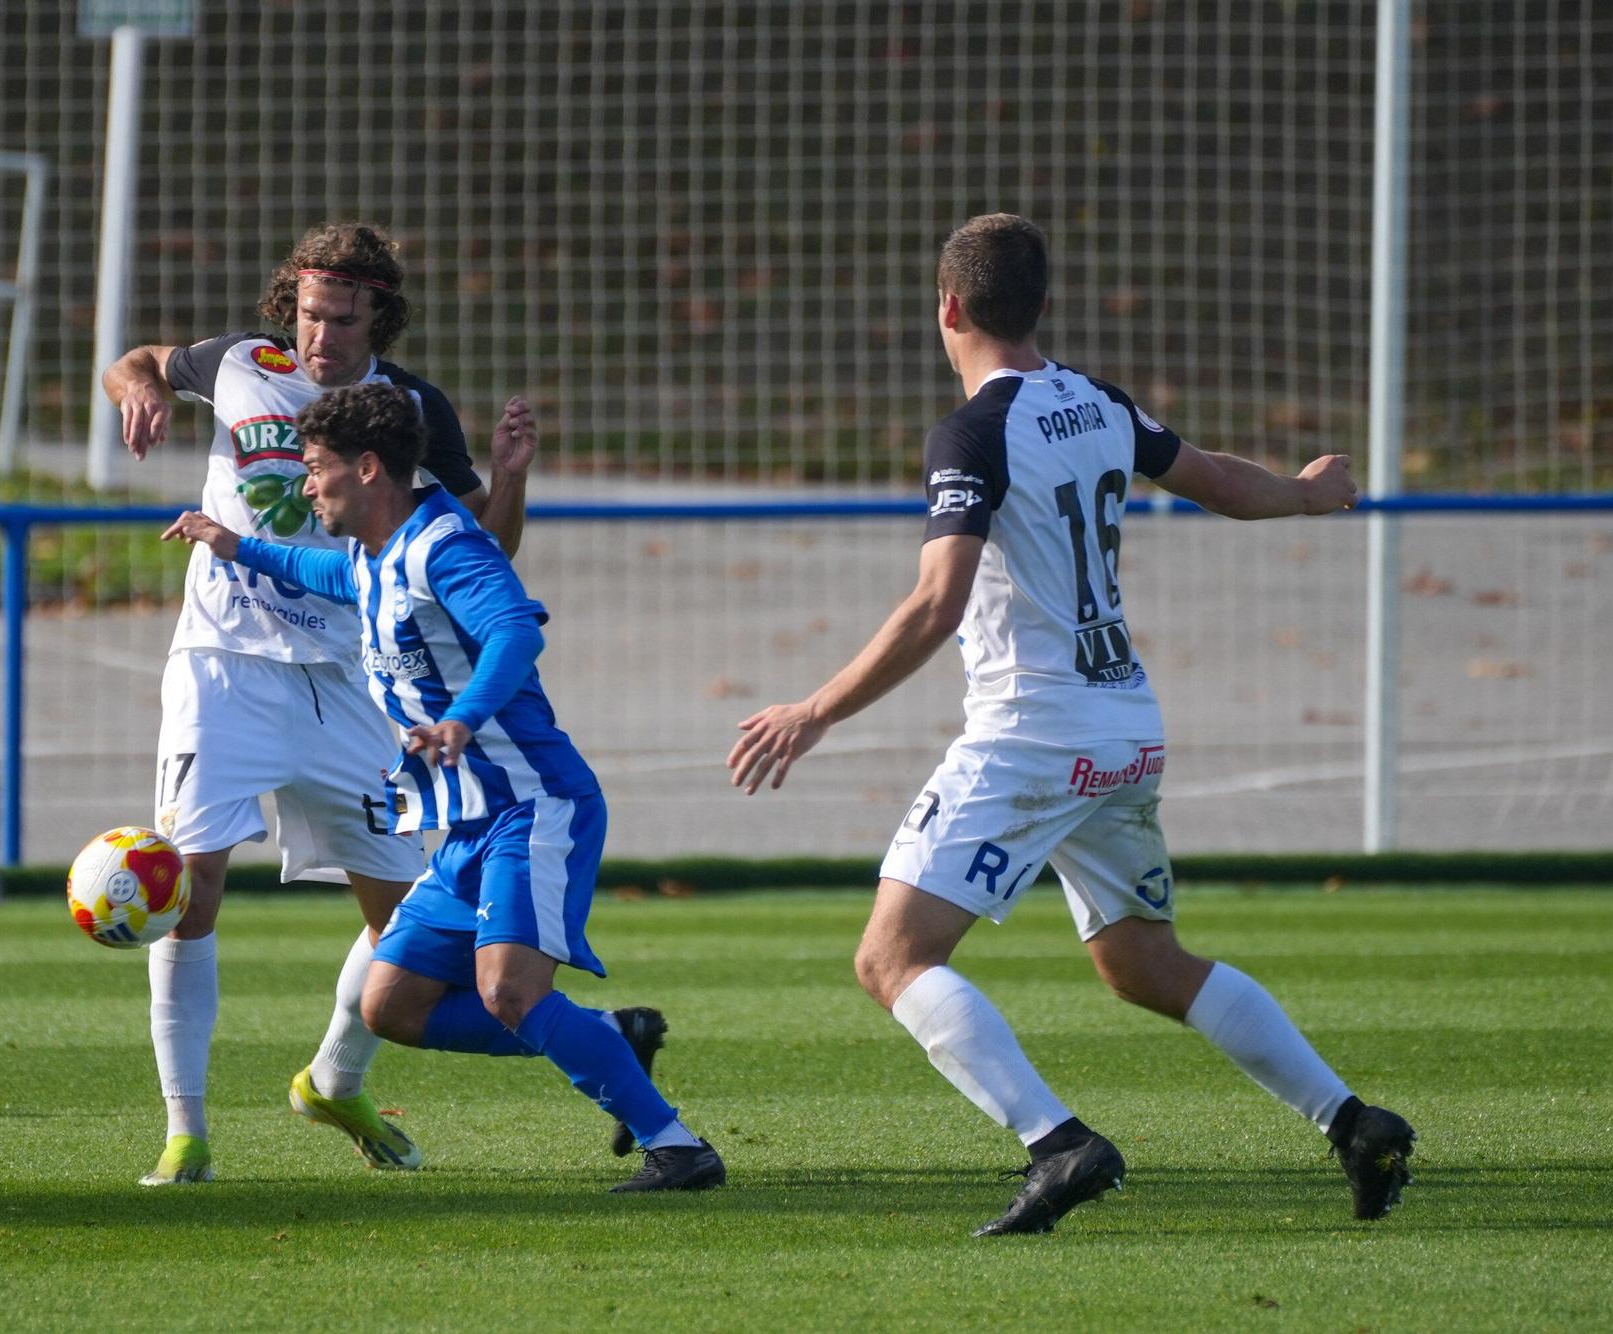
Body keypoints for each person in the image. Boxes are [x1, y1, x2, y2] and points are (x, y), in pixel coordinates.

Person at [728, 213, 1415, 1235]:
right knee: (1142, 962)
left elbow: (934, 603)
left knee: (891, 956)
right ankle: (1354, 1122)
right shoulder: (1092, 402)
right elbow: (1216, 479)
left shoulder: (970, 432)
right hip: (1122, 725)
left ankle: (1058, 1145)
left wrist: (813, 708)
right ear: (1037, 305)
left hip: (1030, 734)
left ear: (947, 307)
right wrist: (1311, 496)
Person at [163, 384, 724, 1193]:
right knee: (390, 1006)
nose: (305, 485)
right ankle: (605, 1037)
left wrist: (460, 719)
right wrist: (230, 543)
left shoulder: (444, 548)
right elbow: (314, 568)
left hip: (535, 807)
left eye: (316, 469)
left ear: (366, 468)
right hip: (467, 827)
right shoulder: (371, 554)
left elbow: (514, 629)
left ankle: (676, 1147)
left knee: (508, 991)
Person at [101, 222, 532, 1187]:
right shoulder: (240, 365)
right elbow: (134, 360)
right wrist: (135, 387)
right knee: (192, 889)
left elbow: (485, 550)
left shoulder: (411, 408)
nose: (319, 336)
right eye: (307, 314)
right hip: (224, 666)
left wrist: (509, 480)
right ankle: (186, 1133)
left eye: (341, 318)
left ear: (379, 313)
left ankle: (333, 1081)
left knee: (408, 929)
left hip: (347, 681)